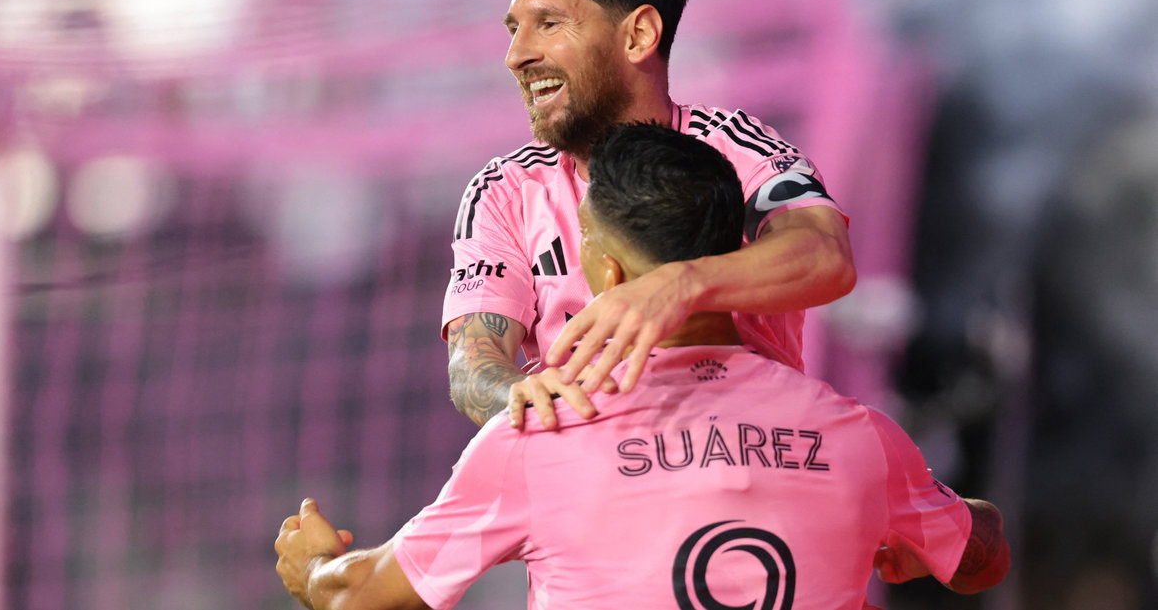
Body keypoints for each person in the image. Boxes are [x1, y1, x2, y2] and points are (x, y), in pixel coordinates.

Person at [276, 124, 1010, 610]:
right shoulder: (860, 439)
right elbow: (981, 557)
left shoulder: (541, 438)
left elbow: (360, 596)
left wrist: (311, 566)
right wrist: (943, 523)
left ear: (608, 272)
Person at [445, 0, 856, 428]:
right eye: (515, 29)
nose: (516, 56)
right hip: (590, 460)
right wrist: (523, 397)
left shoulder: (737, 148)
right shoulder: (504, 191)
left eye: (549, 23)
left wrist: (681, 285)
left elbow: (827, 256)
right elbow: (472, 367)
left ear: (639, 34)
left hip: (753, 448)